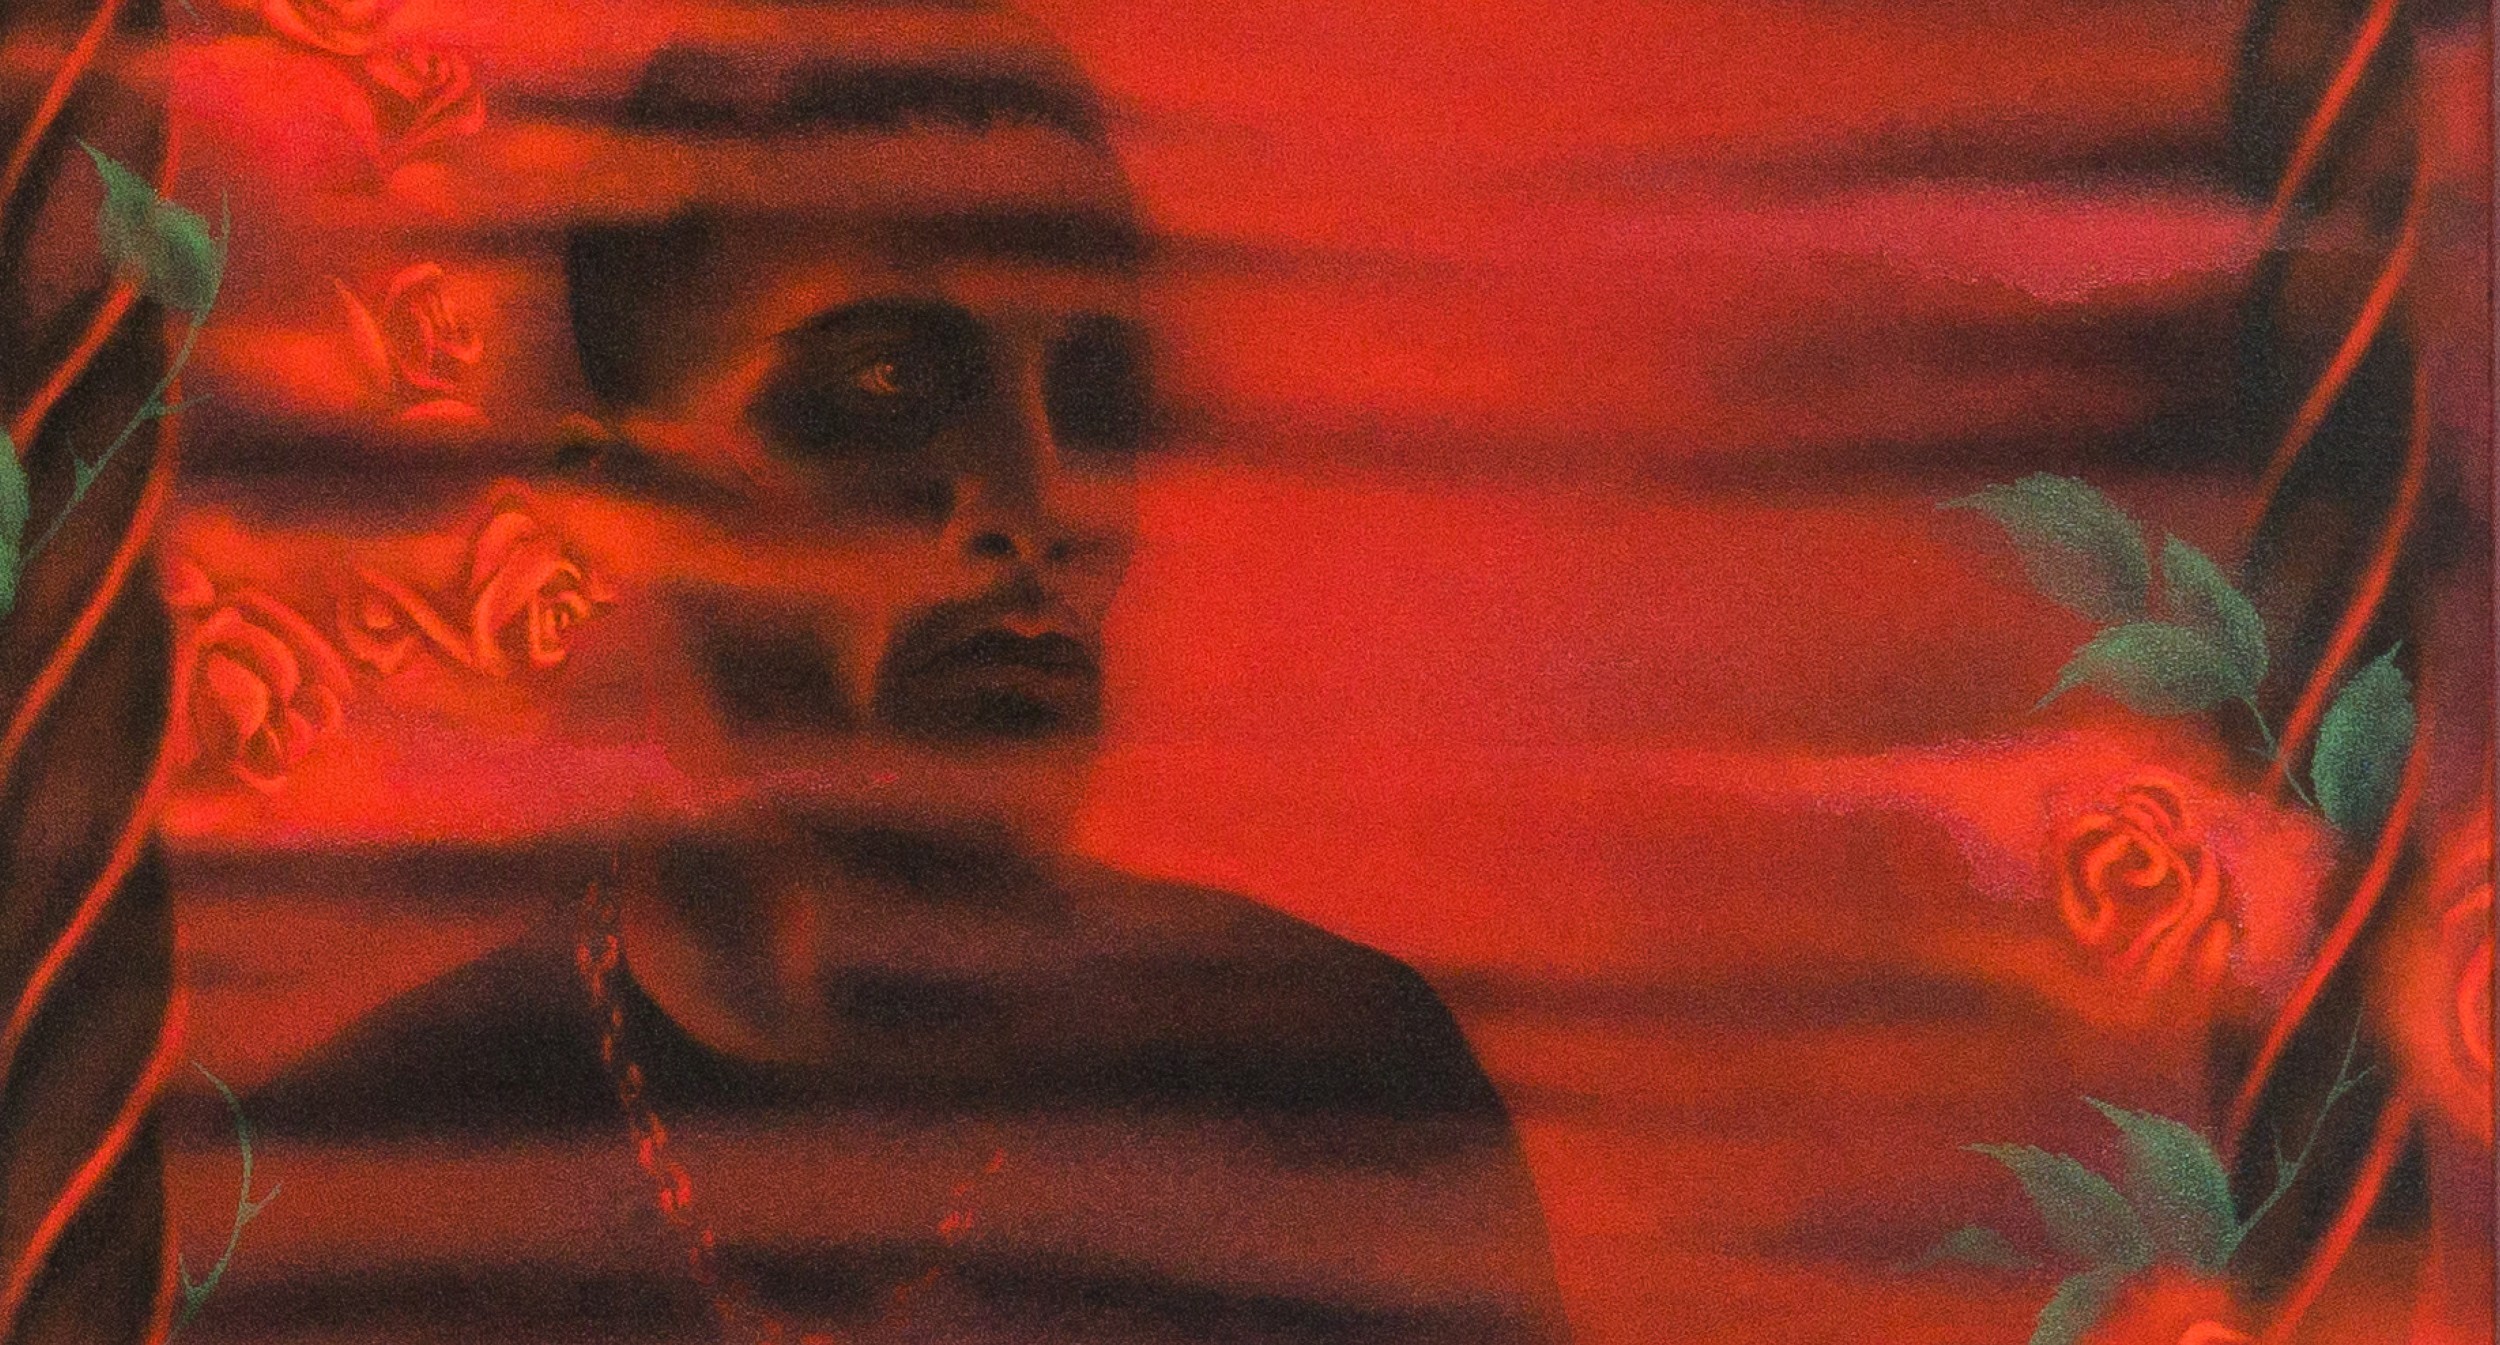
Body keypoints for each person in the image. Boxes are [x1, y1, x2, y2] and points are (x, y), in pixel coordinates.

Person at [213, 8, 1569, 1344]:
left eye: (1094, 393)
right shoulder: (355, 1190)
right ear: (619, 508)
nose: (1035, 501)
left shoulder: (1341, 1103)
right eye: (888, 386)